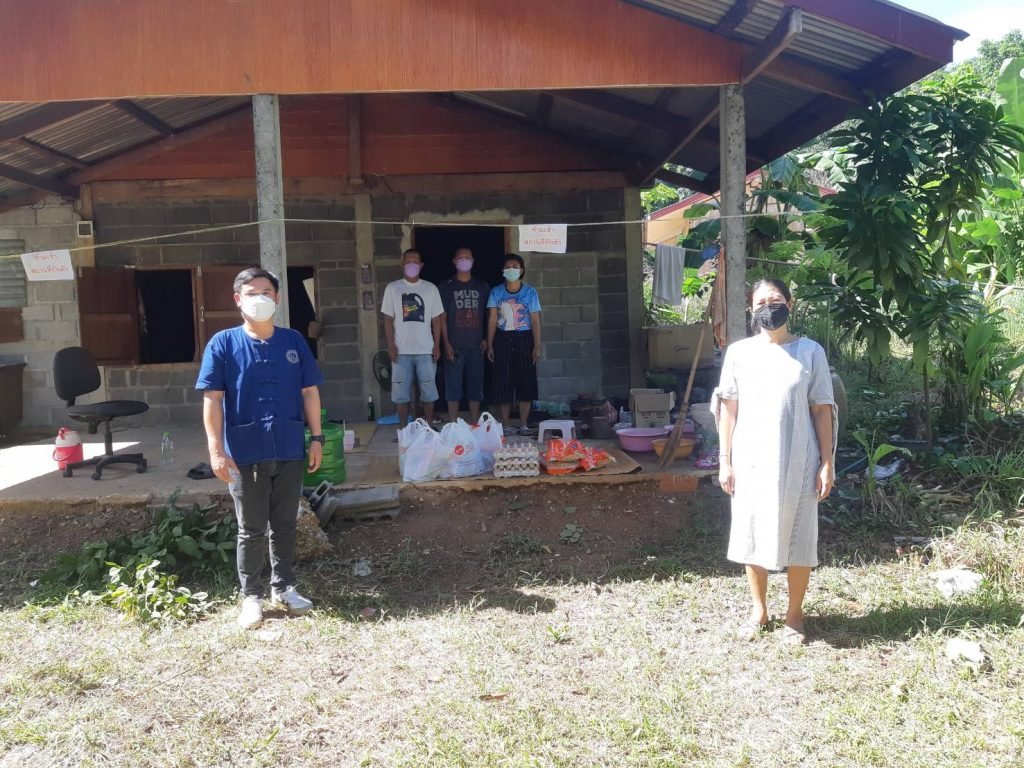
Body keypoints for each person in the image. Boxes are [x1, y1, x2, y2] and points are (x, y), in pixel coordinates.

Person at [196, 267, 324, 630]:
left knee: (284, 524)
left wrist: (316, 438)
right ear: (238, 299)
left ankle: (284, 588)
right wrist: (216, 450)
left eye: (266, 292)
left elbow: (309, 392)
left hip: (289, 446)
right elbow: (212, 399)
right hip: (245, 450)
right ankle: (251, 597)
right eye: (251, 293)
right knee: (251, 529)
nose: (260, 298)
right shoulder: (223, 343)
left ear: (277, 298)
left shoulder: (293, 341)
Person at [714, 277, 836, 646]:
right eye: (762, 302)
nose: (769, 307)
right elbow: (728, 409)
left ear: (790, 304)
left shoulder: (810, 352)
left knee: (800, 533)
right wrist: (725, 460)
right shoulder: (739, 353)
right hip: (750, 459)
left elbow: (822, 409)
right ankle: (759, 610)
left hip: (800, 458)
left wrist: (827, 462)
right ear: (751, 309)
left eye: (776, 300)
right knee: (751, 531)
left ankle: (794, 615)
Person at [381, 248, 444, 428]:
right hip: (401, 351)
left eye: (415, 262)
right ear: (402, 264)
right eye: (408, 262)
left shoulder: (430, 288)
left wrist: (436, 345)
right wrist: (391, 345)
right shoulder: (393, 288)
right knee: (400, 394)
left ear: (421, 265)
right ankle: (403, 430)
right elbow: (387, 319)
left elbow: (436, 319)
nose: (412, 265)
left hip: (425, 350)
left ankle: (428, 427)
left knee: (429, 392)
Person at [486, 253, 542, 435]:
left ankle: (524, 424)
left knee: (526, 381)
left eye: (515, 266)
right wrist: (490, 343)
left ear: (522, 270)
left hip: (524, 338)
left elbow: (535, 320)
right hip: (502, 338)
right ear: (503, 270)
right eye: (508, 266)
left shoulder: (530, 292)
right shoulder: (496, 292)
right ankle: (506, 424)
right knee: (504, 382)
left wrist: (537, 345)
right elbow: (492, 319)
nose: (511, 269)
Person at [438, 247, 490, 423]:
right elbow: (442, 318)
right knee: (453, 388)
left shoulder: (482, 286)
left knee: (476, 387)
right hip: (454, 346)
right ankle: (453, 423)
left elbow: (489, 315)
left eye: (467, 257)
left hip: (477, 345)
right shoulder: (446, 286)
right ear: (454, 261)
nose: (464, 260)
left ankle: (474, 423)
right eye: (460, 258)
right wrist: (446, 343)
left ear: (473, 261)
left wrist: (487, 339)